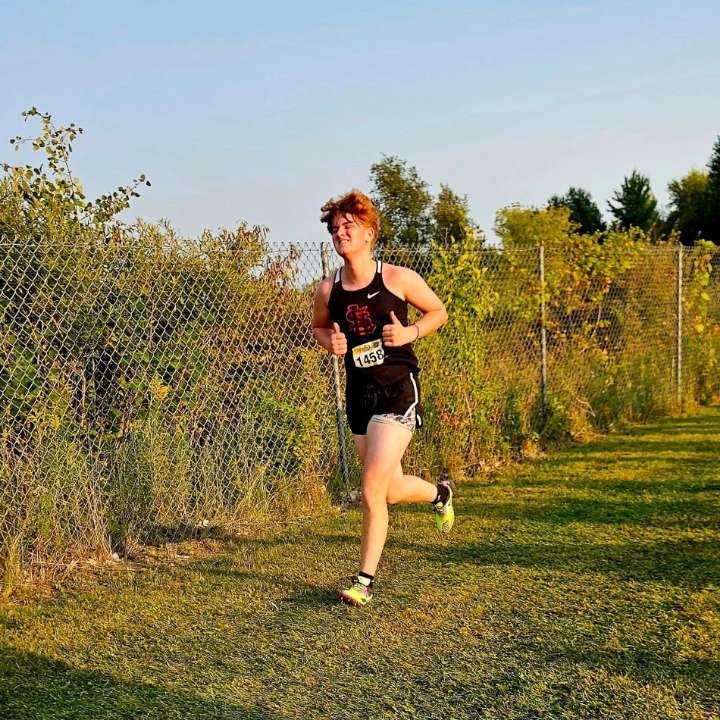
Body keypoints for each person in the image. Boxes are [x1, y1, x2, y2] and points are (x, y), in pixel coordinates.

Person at [312, 189, 453, 607]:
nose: (340, 233)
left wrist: (410, 333)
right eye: (335, 229)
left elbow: (438, 312)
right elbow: (319, 327)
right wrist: (330, 342)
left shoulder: (397, 278)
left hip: (397, 388)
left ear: (370, 232)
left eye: (348, 226)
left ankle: (364, 582)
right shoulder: (327, 289)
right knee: (389, 490)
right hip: (359, 394)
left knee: (371, 488)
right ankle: (439, 494)